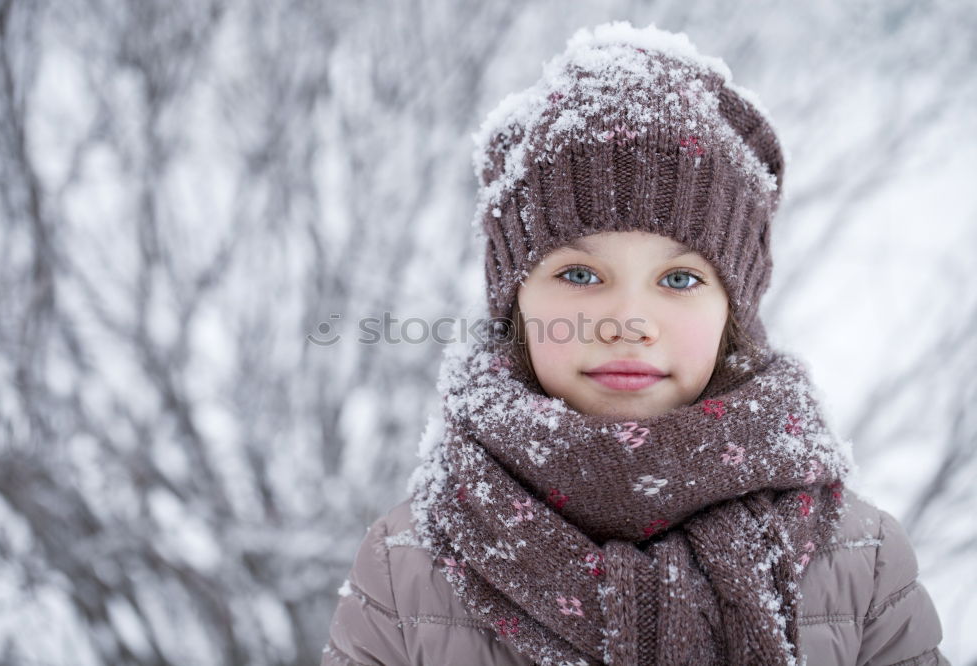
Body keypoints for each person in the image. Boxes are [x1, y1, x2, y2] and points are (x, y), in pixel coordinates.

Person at [321, 21, 948, 666]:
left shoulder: (860, 561)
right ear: (516, 303)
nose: (626, 320)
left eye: (678, 278)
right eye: (579, 274)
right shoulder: (407, 566)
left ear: (734, 309)